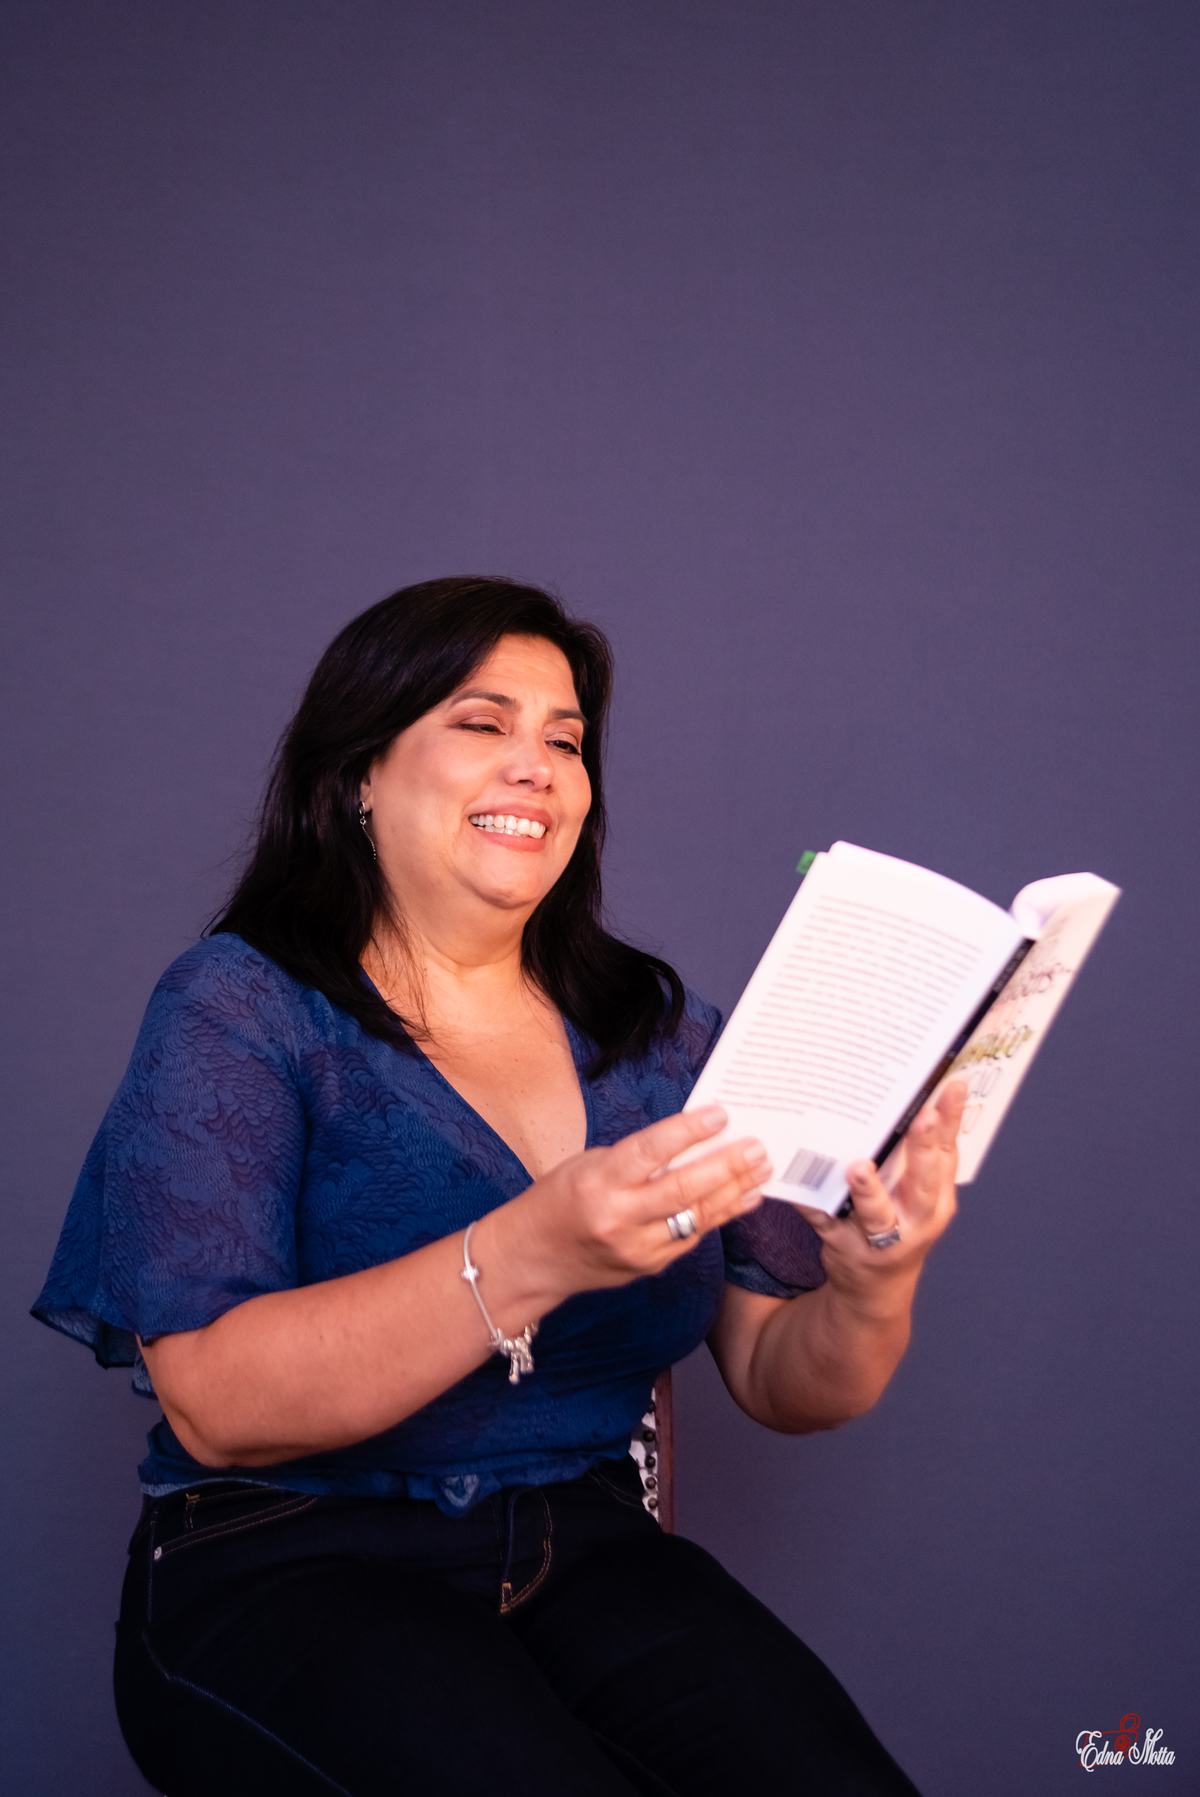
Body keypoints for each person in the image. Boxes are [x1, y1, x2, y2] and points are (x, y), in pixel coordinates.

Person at [33, 576, 964, 1797]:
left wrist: (877, 1279)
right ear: (359, 775)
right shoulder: (240, 1008)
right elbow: (213, 1401)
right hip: (291, 1558)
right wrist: (533, 1252)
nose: (538, 766)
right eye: (483, 723)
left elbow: (781, 1378)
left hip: (587, 1545)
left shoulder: (660, 1035)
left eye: (566, 742)